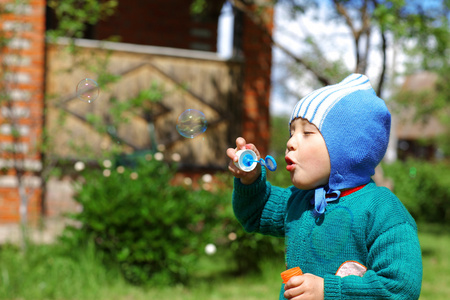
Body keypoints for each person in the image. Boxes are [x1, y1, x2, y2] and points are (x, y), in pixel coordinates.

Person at [226, 74, 423, 300]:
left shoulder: (382, 210)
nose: (290, 142)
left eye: (307, 132)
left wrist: (327, 291)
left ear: (348, 148)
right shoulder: (299, 200)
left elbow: (400, 287)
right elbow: (255, 212)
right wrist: (250, 181)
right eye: (292, 132)